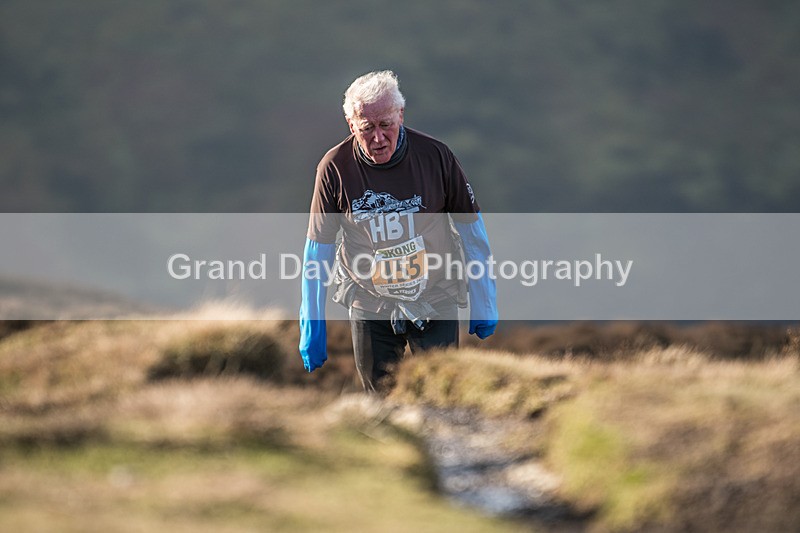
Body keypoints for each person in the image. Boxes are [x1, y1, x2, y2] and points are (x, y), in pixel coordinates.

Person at [299, 70, 497, 392]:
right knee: (380, 404)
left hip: (436, 297)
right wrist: (312, 323)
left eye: (386, 124)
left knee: (440, 396)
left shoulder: (436, 157)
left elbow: (472, 233)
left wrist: (484, 300)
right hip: (369, 302)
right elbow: (317, 251)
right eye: (367, 128)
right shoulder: (334, 167)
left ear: (400, 115)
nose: (378, 138)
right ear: (351, 125)